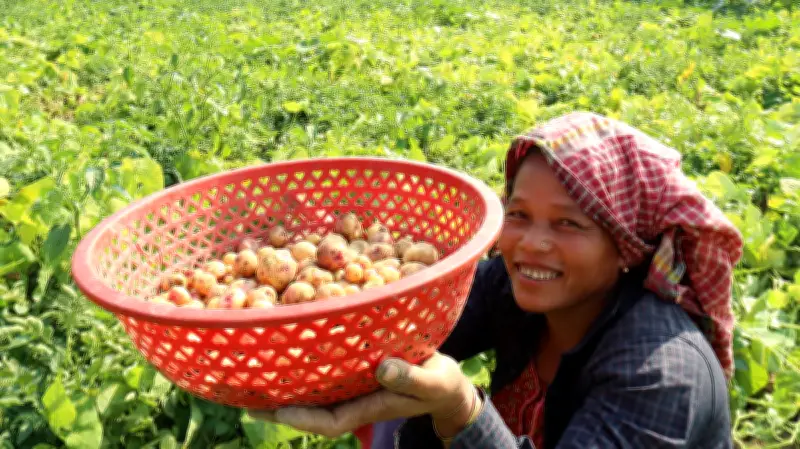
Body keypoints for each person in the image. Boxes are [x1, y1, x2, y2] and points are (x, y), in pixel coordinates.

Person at [248, 112, 744, 448]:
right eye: (519, 214)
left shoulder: (660, 376)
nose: (531, 243)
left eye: (568, 224)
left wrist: (461, 409)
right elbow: (396, 340)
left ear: (625, 247)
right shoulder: (512, 286)